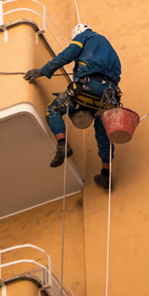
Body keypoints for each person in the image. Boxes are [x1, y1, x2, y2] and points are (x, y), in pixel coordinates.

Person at [24, 23, 122, 189]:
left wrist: (43, 71)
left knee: (53, 108)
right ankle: (106, 174)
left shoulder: (84, 37)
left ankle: (62, 145)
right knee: (103, 135)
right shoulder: (110, 51)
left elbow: (68, 54)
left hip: (88, 87)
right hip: (109, 96)